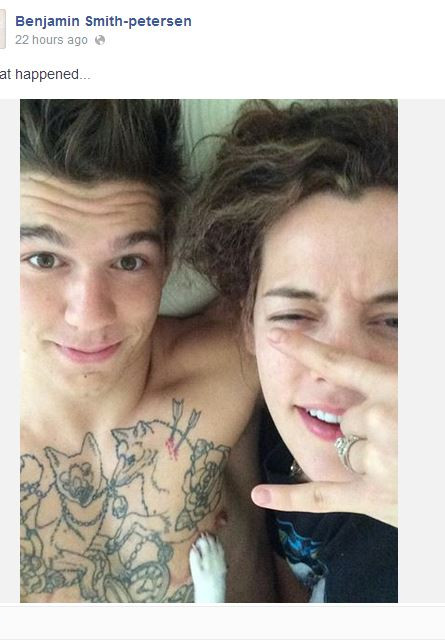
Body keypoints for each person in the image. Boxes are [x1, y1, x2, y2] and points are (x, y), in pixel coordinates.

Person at [19, 99, 276, 603]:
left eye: (129, 261)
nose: (90, 316)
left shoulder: (240, 361)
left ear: (168, 259)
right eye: (44, 259)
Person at [182, 100, 398, 602]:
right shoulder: (258, 432)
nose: (338, 374)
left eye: (395, 322)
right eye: (295, 316)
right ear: (247, 323)